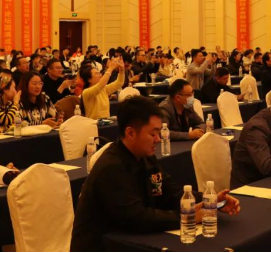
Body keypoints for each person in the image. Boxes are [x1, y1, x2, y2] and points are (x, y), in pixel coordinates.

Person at [70, 96, 240, 251]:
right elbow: (137, 218)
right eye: (153, 133)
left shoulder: (145, 157)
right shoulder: (111, 167)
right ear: (130, 133)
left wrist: (210, 200)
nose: (159, 139)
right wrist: (187, 216)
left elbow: (171, 193)